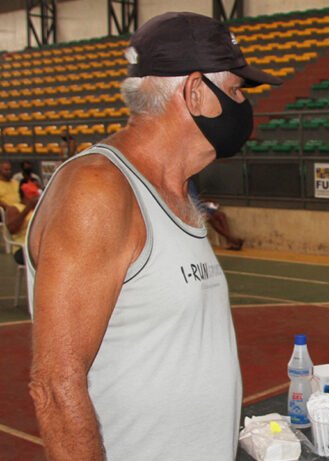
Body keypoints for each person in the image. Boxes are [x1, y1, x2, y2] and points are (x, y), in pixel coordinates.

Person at [25, 12, 282, 461]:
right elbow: (55, 384)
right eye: (237, 90)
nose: (243, 104)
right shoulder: (99, 189)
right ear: (196, 91)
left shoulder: (174, 192)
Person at [188, 179, 244, 250]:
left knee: (221, 215)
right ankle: (232, 239)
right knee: (209, 217)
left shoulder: (191, 182)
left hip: (200, 205)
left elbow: (196, 197)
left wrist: (207, 200)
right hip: (192, 208)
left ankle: (229, 241)